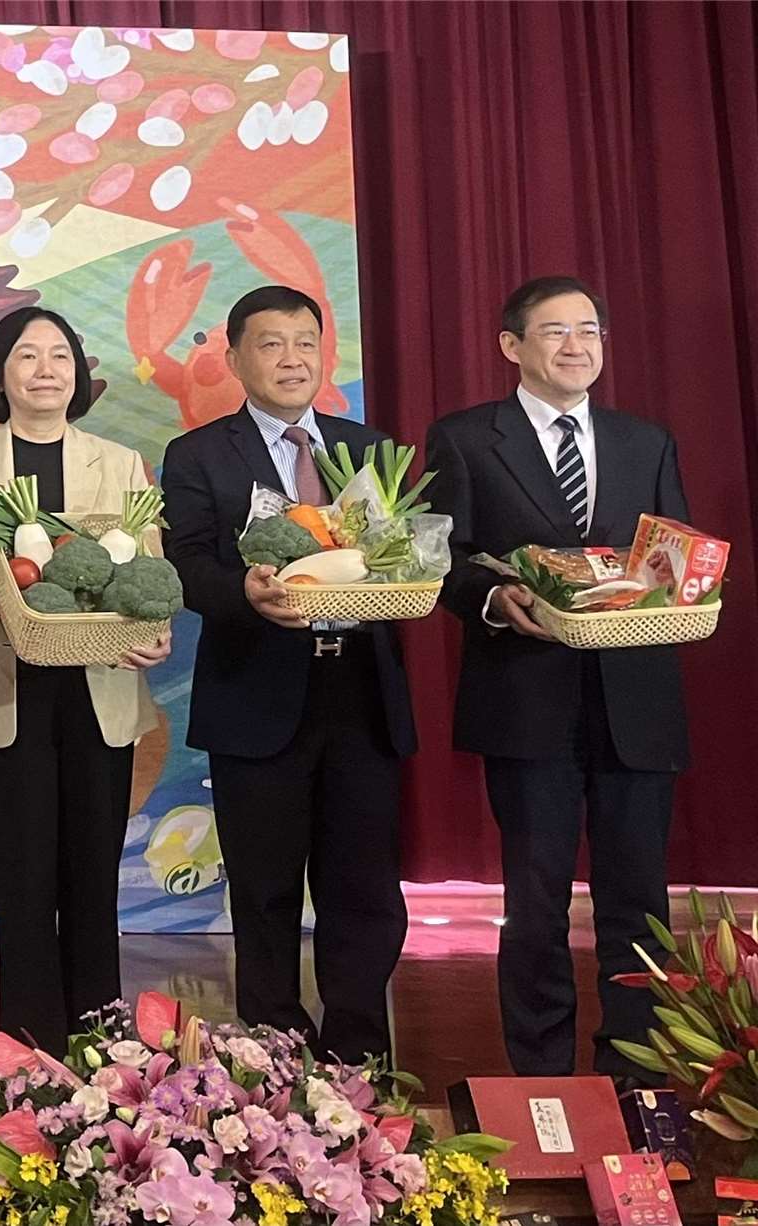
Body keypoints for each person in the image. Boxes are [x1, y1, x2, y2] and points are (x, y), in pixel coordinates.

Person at [424, 276, 689, 1079]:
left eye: (589, 331)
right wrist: (498, 597)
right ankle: (543, 1081)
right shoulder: (467, 438)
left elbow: (672, 559)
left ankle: (639, 1078)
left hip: (635, 702)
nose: (576, 347)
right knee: (536, 905)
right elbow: (443, 560)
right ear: (512, 346)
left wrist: (688, 583)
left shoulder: (647, 441)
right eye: (555, 332)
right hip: (527, 699)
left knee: (639, 904)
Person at [160, 285, 416, 1062]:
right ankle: (270, 1058)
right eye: (271, 343)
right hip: (256, 694)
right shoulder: (199, 454)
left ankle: (361, 1054)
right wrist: (241, 591)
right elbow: (186, 568)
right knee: (265, 890)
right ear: (235, 358)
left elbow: (400, 559)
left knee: (364, 889)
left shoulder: (369, 449)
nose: (292, 358)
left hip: (361, 692)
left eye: (306, 340)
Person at [0, 306, 170, 1048]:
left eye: (59, 355)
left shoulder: (121, 463)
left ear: (78, 374)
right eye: (26, 356)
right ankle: (26, 1045)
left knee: (93, 874)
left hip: (101, 683)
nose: (44, 369)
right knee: (22, 876)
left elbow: (148, 572)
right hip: (8, 687)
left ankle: (102, 1044)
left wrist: (150, 633)